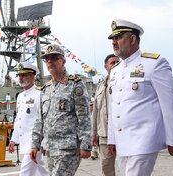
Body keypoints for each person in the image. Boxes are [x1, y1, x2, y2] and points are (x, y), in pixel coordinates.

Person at [107, 19, 173, 176]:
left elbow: (170, 104)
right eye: (113, 39)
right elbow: (115, 106)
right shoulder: (115, 70)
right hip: (122, 141)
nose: (114, 42)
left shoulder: (154, 64)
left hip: (144, 139)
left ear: (133, 39)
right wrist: (112, 139)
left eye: (119, 37)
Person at [30, 44, 91, 176]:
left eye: (54, 58)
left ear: (63, 61)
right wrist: (35, 144)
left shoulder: (75, 84)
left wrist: (86, 144)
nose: (50, 61)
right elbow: (40, 119)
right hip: (50, 148)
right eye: (47, 59)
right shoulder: (46, 89)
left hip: (69, 148)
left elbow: (84, 116)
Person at [9, 63, 49, 176]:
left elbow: (44, 119)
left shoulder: (40, 94)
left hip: (34, 142)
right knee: (41, 170)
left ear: (33, 76)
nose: (21, 78)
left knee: (25, 172)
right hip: (24, 142)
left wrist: (44, 141)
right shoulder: (20, 96)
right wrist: (13, 139)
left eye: (25, 75)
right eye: (20, 75)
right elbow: (19, 119)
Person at [91, 54, 119, 176]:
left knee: (128, 167)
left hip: (122, 132)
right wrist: (93, 133)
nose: (116, 64)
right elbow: (95, 112)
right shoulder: (100, 86)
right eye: (113, 63)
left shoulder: (125, 81)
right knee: (106, 168)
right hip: (104, 134)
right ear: (106, 66)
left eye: (118, 62)